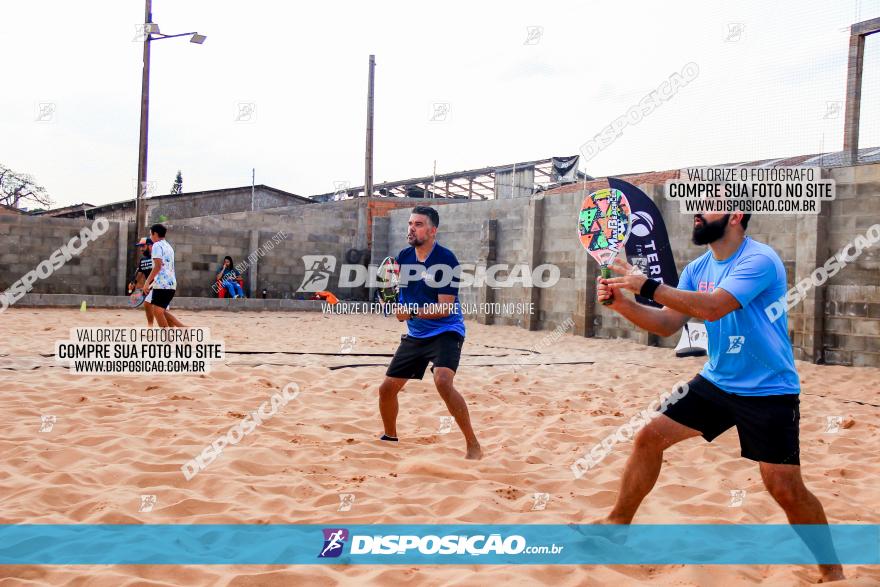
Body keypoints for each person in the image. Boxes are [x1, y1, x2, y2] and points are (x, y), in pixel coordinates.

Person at [597, 211, 844, 583]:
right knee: (649, 438)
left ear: (736, 215)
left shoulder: (759, 259)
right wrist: (623, 304)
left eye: (709, 204)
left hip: (768, 390)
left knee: (785, 488)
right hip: (717, 382)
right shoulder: (698, 266)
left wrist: (645, 286)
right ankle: (616, 527)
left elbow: (712, 307)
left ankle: (833, 571)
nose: (697, 212)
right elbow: (667, 323)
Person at [378, 206, 482, 460]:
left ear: (433, 231)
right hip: (416, 335)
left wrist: (410, 312)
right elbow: (390, 295)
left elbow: (445, 306)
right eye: (410, 224)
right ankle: (390, 437)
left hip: (446, 330)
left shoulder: (446, 260)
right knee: (386, 390)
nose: (411, 228)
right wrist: (390, 306)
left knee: (443, 381)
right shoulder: (402, 257)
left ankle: (473, 445)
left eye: (419, 224)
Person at [143, 223, 187, 329]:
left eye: (150, 234)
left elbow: (158, 267)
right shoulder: (168, 246)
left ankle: (169, 338)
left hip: (162, 284)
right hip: (170, 284)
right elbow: (165, 267)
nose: (150, 237)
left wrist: (147, 282)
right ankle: (183, 329)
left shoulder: (157, 245)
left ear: (155, 234)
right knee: (160, 311)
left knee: (158, 312)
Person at [128, 237, 156, 326]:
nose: (141, 249)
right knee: (148, 305)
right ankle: (150, 327)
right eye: (140, 246)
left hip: (161, 286)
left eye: (143, 246)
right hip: (150, 287)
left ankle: (181, 328)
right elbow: (139, 273)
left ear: (150, 246)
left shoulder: (157, 257)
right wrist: (133, 283)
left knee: (161, 311)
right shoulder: (143, 260)